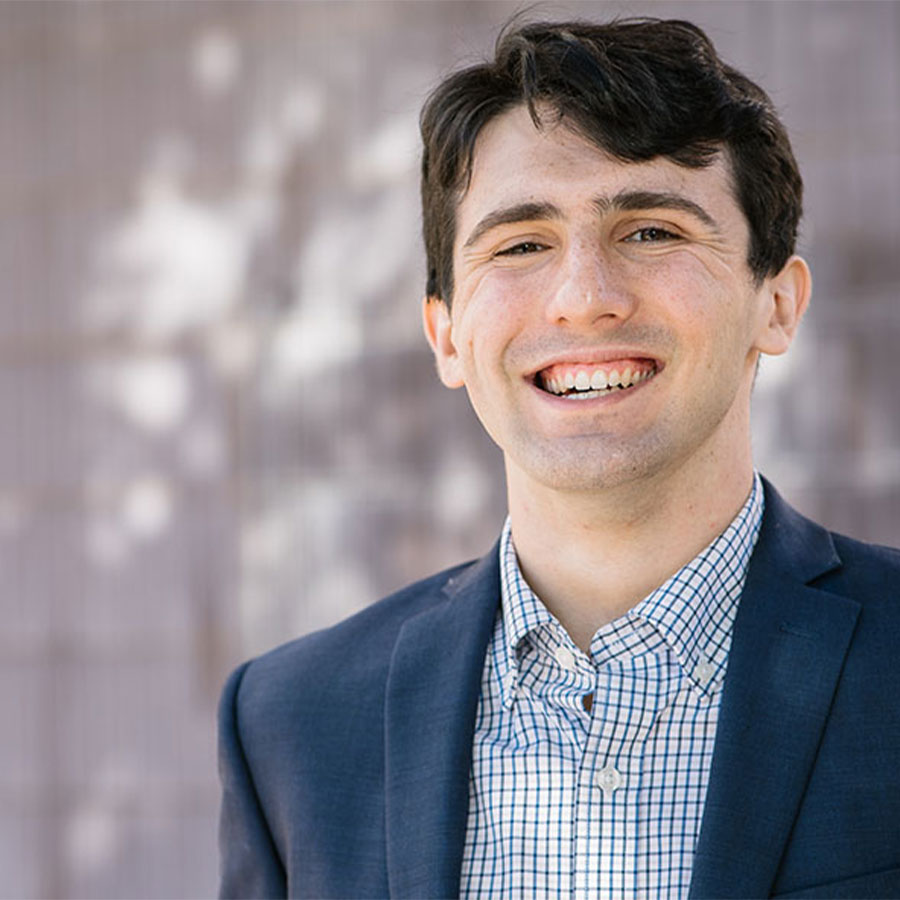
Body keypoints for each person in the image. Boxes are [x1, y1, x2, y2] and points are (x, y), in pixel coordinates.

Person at [217, 17, 900, 899]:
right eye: (521, 244)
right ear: (446, 335)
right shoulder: (291, 725)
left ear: (776, 304)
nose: (584, 299)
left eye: (652, 231)